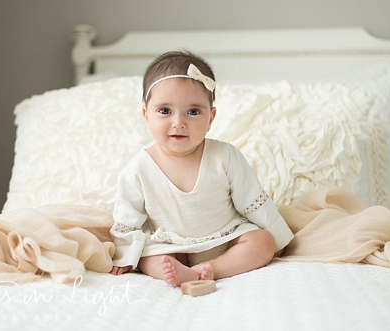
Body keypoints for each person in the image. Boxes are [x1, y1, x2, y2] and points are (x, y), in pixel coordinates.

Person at [109, 51, 294, 285]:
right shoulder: (139, 168)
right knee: (146, 257)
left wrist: (278, 239)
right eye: (165, 111)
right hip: (171, 245)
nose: (179, 122)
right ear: (146, 115)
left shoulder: (225, 156)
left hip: (225, 238)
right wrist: (124, 255)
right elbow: (128, 217)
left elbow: (253, 201)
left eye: (193, 112)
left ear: (211, 117)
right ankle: (178, 270)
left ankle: (210, 268)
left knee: (262, 242)